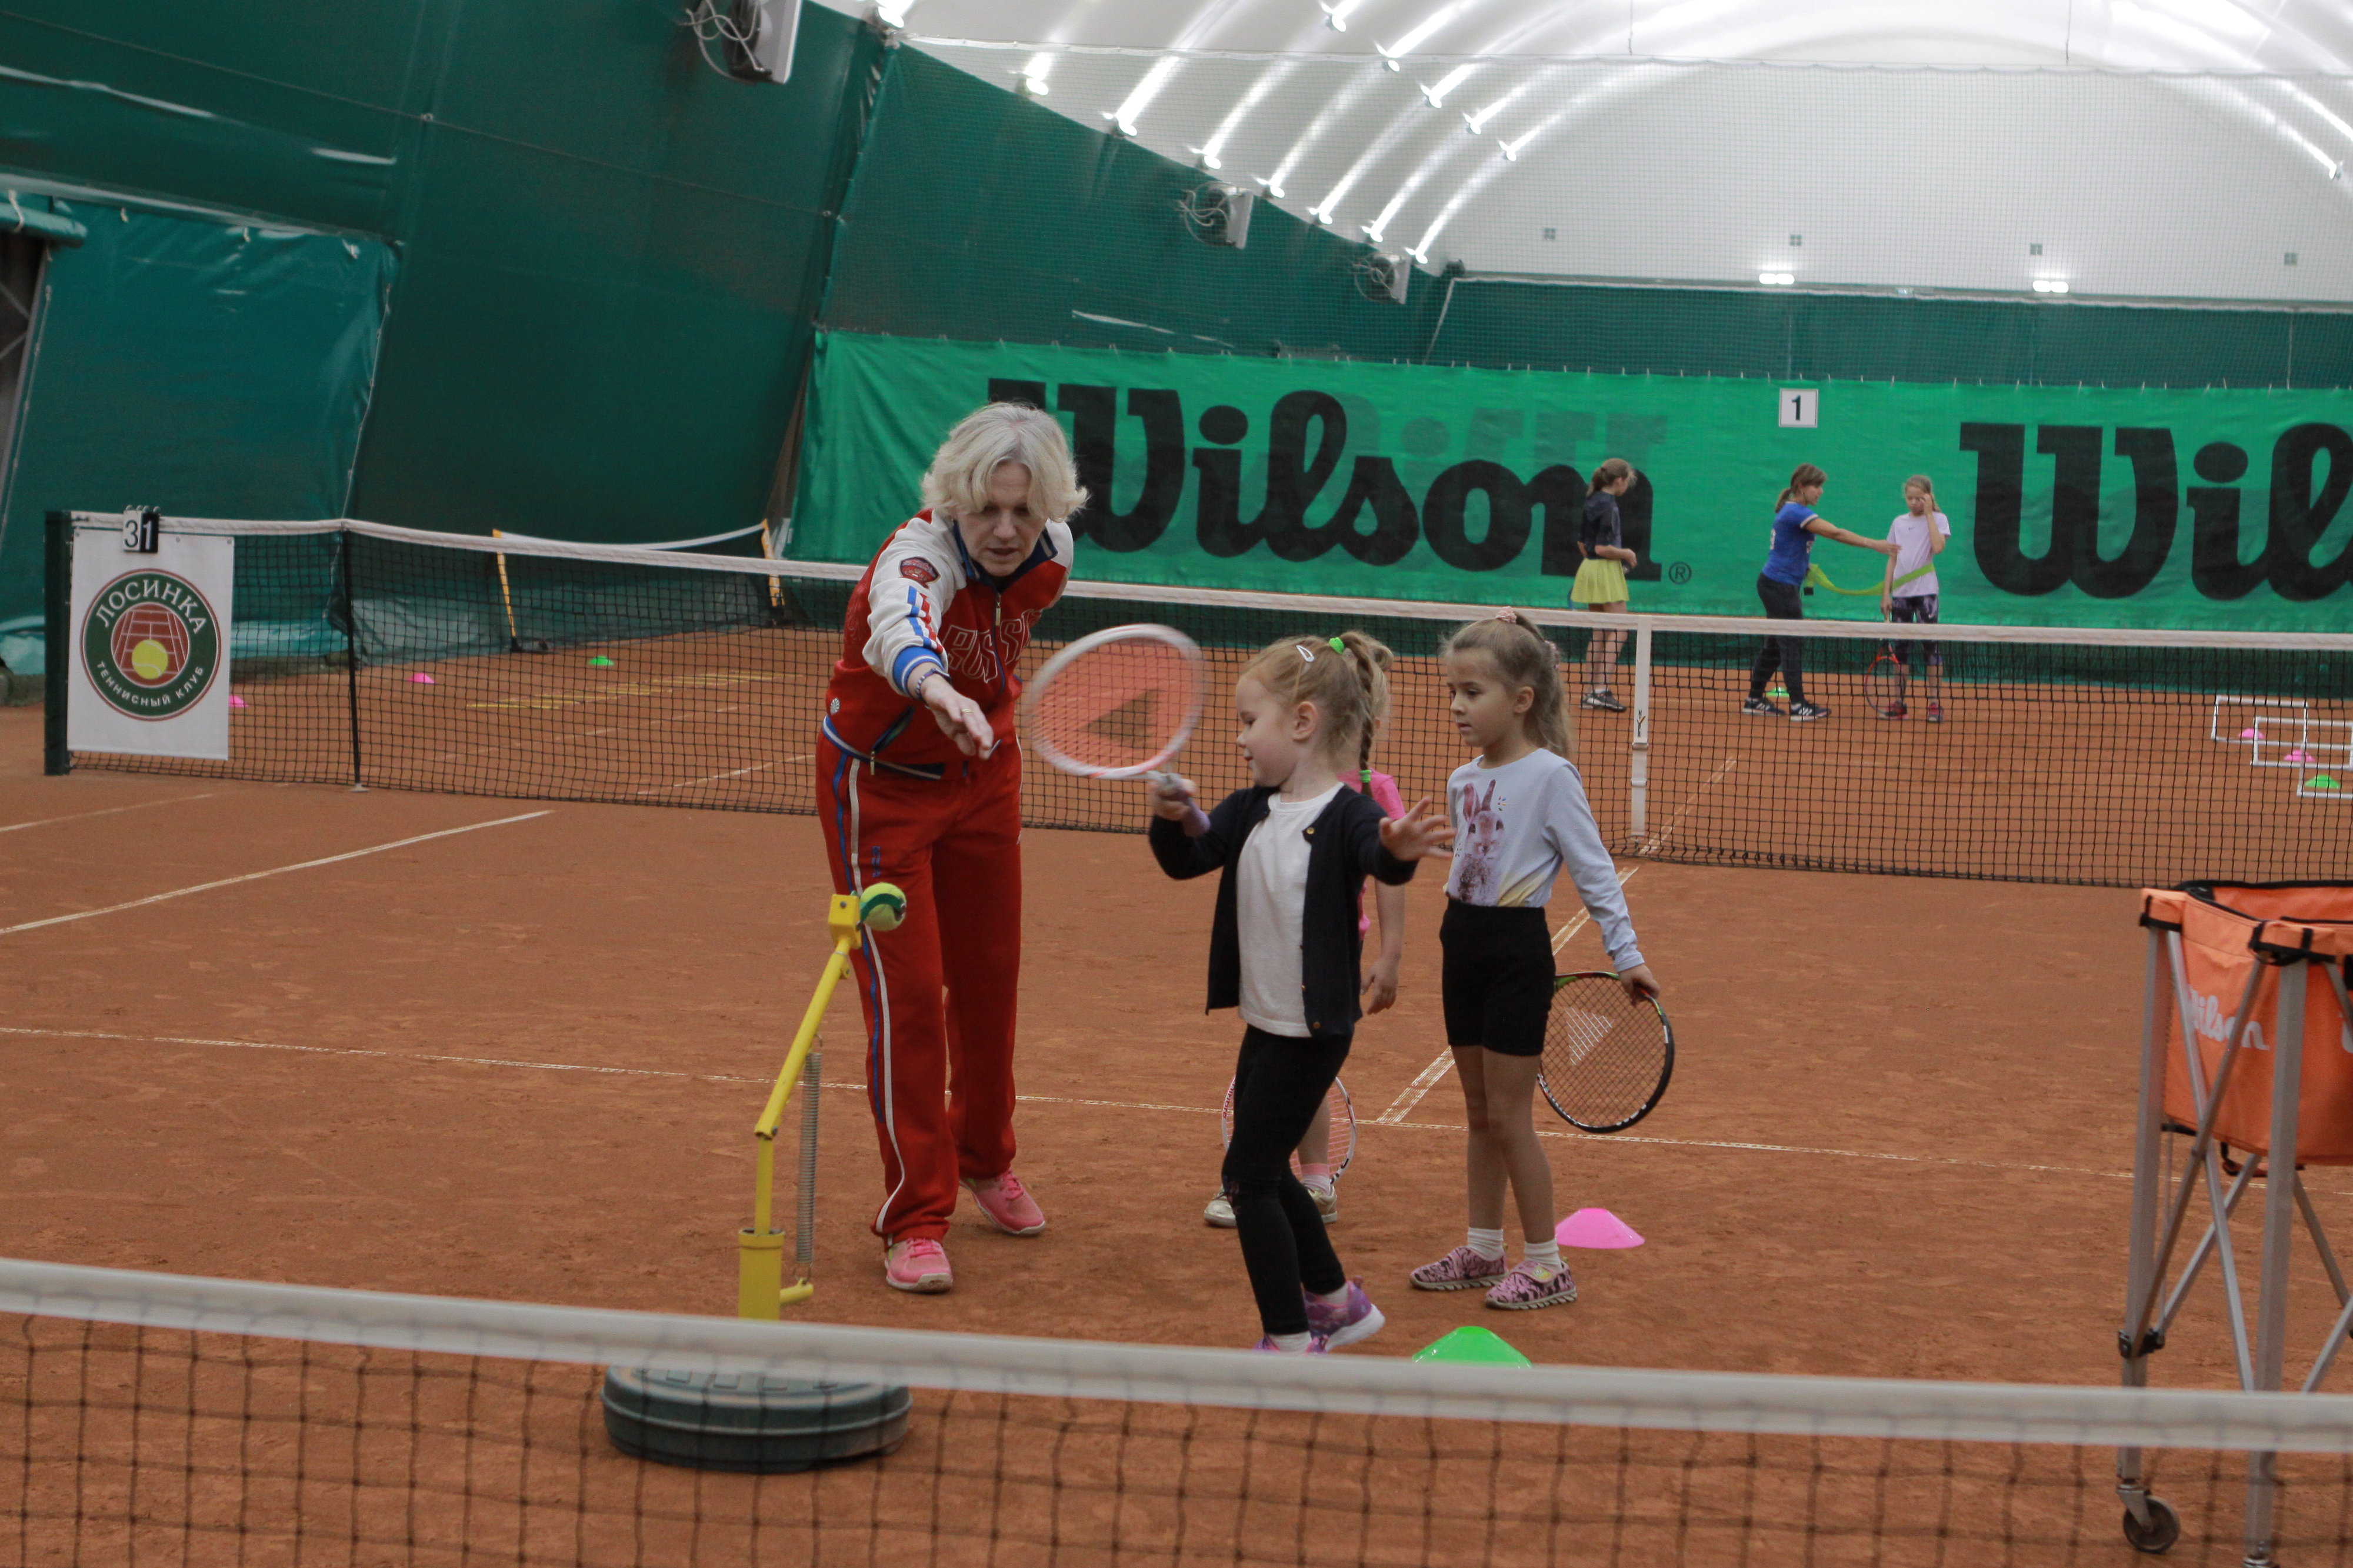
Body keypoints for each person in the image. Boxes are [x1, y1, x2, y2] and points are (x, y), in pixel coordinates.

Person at [815, 402, 1086, 1294]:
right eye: (988, 510)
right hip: (882, 787)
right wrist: (935, 686)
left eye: (1025, 509)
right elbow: (901, 624)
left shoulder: (1054, 554)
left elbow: (1000, 638)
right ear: (954, 499)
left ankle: (984, 1158)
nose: (1007, 530)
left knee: (989, 980)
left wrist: (981, 713)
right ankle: (915, 1215)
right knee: (910, 1003)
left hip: (985, 774)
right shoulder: (917, 556)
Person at [1148, 633, 1452, 1352]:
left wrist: (1400, 853)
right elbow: (1191, 857)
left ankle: (1289, 1338)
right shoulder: (1250, 806)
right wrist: (1169, 820)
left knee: (1249, 1176)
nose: (1239, 736)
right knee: (1263, 1167)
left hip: (1312, 1028)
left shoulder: (1346, 813)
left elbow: (1377, 854)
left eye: (1249, 720)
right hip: (1266, 1021)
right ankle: (1339, 1304)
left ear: (1302, 722)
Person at [1411, 611, 1661, 1310]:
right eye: (1451, 692)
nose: (1457, 706)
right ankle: (1484, 1248)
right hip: (1459, 942)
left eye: (1472, 692)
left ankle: (1548, 1264)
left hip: (1515, 951)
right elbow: (1475, 857)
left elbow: (1594, 870)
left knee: (1511, 1115)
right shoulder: (1463, 780)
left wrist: (1627, 953)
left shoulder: (1552, 775)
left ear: (1521, 699)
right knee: (1478, 1111)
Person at [1201, 634, 1407, 1230]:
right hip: (1275, 945)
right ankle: (1266, 1172)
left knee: (1295, 1065)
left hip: (1333, 945)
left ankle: (1303, 1178)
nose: (1242, 734)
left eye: (1249, 720)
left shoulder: (1365, 794)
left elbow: (1390, 875)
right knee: (1271, 1063)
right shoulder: (1270, 792)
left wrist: (1390, 954)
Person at [1744, 463, 1898, 722]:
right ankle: (1798, 705)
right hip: (1779, 587)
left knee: (1775, 644)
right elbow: (1836, 533)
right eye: (1817, 486)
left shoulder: (1792, 511)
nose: (1821, 492)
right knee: (1792, 643)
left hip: (1778, 585)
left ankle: (1754, 699)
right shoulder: (1795, 512)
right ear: (1802, 487)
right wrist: (1875, 545)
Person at [1879, 475, 1950, 722]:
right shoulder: (1898, 523)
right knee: (1900, 653)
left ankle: (1934, 704)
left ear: (1928, 496)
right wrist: (1886, 593)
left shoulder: (1939, 520)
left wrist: (1930, 513)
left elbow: (1938, 548)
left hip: (1926, 594)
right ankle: (1899, 703)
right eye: (1910, 498)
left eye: (1919, 498)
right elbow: (1892, 558)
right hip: (1900, 595)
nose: (1913, 503)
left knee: (1931, 649)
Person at [1572, 459, 1639, 713]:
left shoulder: (1592, 499)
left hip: (1589, 568)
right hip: (1604, 567)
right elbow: (1602, 548)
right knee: (1620, 630)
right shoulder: (1609, 505)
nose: (1628, 486)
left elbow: (1583, 544)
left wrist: (1599, 565)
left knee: (1600, 632)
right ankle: (1601, 690)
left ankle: (1591, 691)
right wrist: (1627, 554)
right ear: (1620, 481)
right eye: (1628, 481)